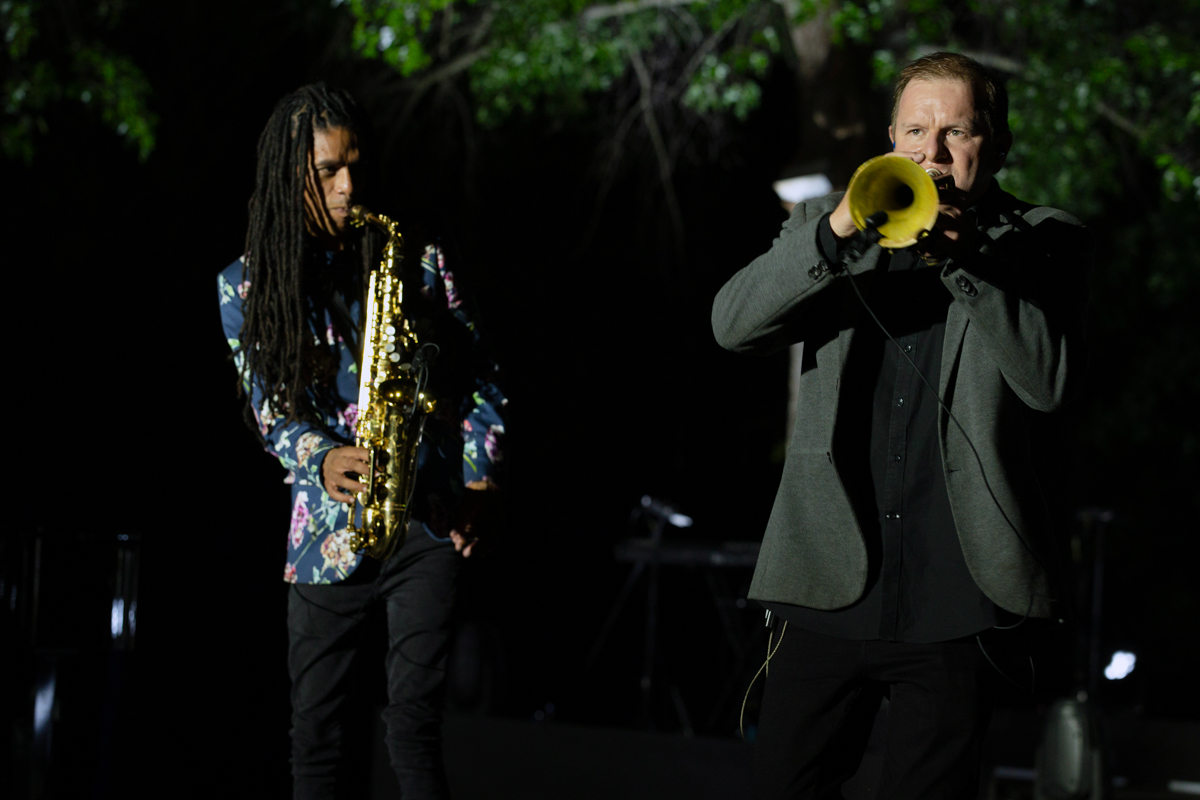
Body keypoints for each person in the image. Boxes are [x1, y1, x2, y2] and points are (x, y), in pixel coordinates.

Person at [712, 52, 1089, 798]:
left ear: (996, 147)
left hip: (957, 596)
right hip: (825, 581)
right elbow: (732, 326)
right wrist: (838, 230)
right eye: (915, 131)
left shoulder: (1047, 239)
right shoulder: (825, 227)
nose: (932, 153)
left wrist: (964, 262)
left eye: (957, 132)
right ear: (890, 138)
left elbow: (1047, 384)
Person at [217, 83, 506, 800]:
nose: (348, 187)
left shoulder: (418, 257)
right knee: (316, 740)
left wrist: (480, 477)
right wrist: (320, 455)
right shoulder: (245, 286)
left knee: (415, 731)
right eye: (327, 172)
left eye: (355, 166)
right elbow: (268, 410)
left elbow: (483, 373)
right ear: (290, 175)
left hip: (428, 515)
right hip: (326, 530)